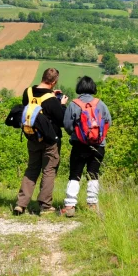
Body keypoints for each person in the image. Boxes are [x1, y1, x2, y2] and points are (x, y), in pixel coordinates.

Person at [14, 68, 68, 216]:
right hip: (50, 140)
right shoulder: (51, 100)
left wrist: (52, 95)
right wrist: (61, 104)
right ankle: (45, 205)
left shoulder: (28, 92)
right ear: (54, 82)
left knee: (31, 169)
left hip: (32, 136)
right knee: (49, 170)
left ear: (43, 77)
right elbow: (62, 120)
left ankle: (21, 204)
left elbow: (32, 107)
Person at [61, 76, 112, 217]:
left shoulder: (73, 104)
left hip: (79, 145)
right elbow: (109, 122)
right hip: (98, 146)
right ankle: (92, 205)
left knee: (75, 175)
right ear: (93, 87)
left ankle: (70, 206)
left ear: (79, 88)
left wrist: (76, 134)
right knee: (93, 175)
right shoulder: (100, 104)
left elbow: (67, 125)